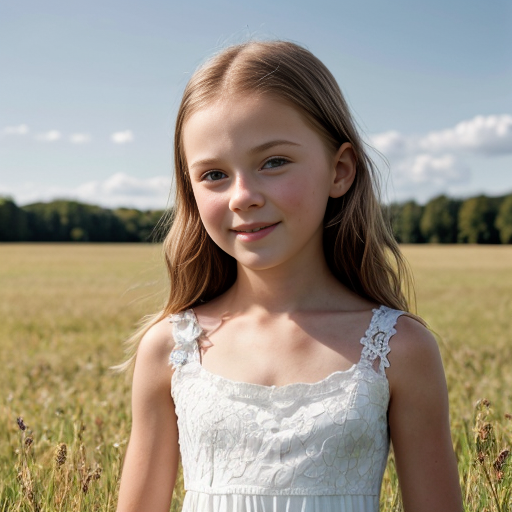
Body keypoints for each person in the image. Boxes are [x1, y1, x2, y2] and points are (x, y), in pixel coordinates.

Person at [115, 40, 463, 512]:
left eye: (274, 162)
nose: (242, 196)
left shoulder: (400, 349)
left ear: (339, 171)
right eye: (214, 175)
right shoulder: (172, 349)